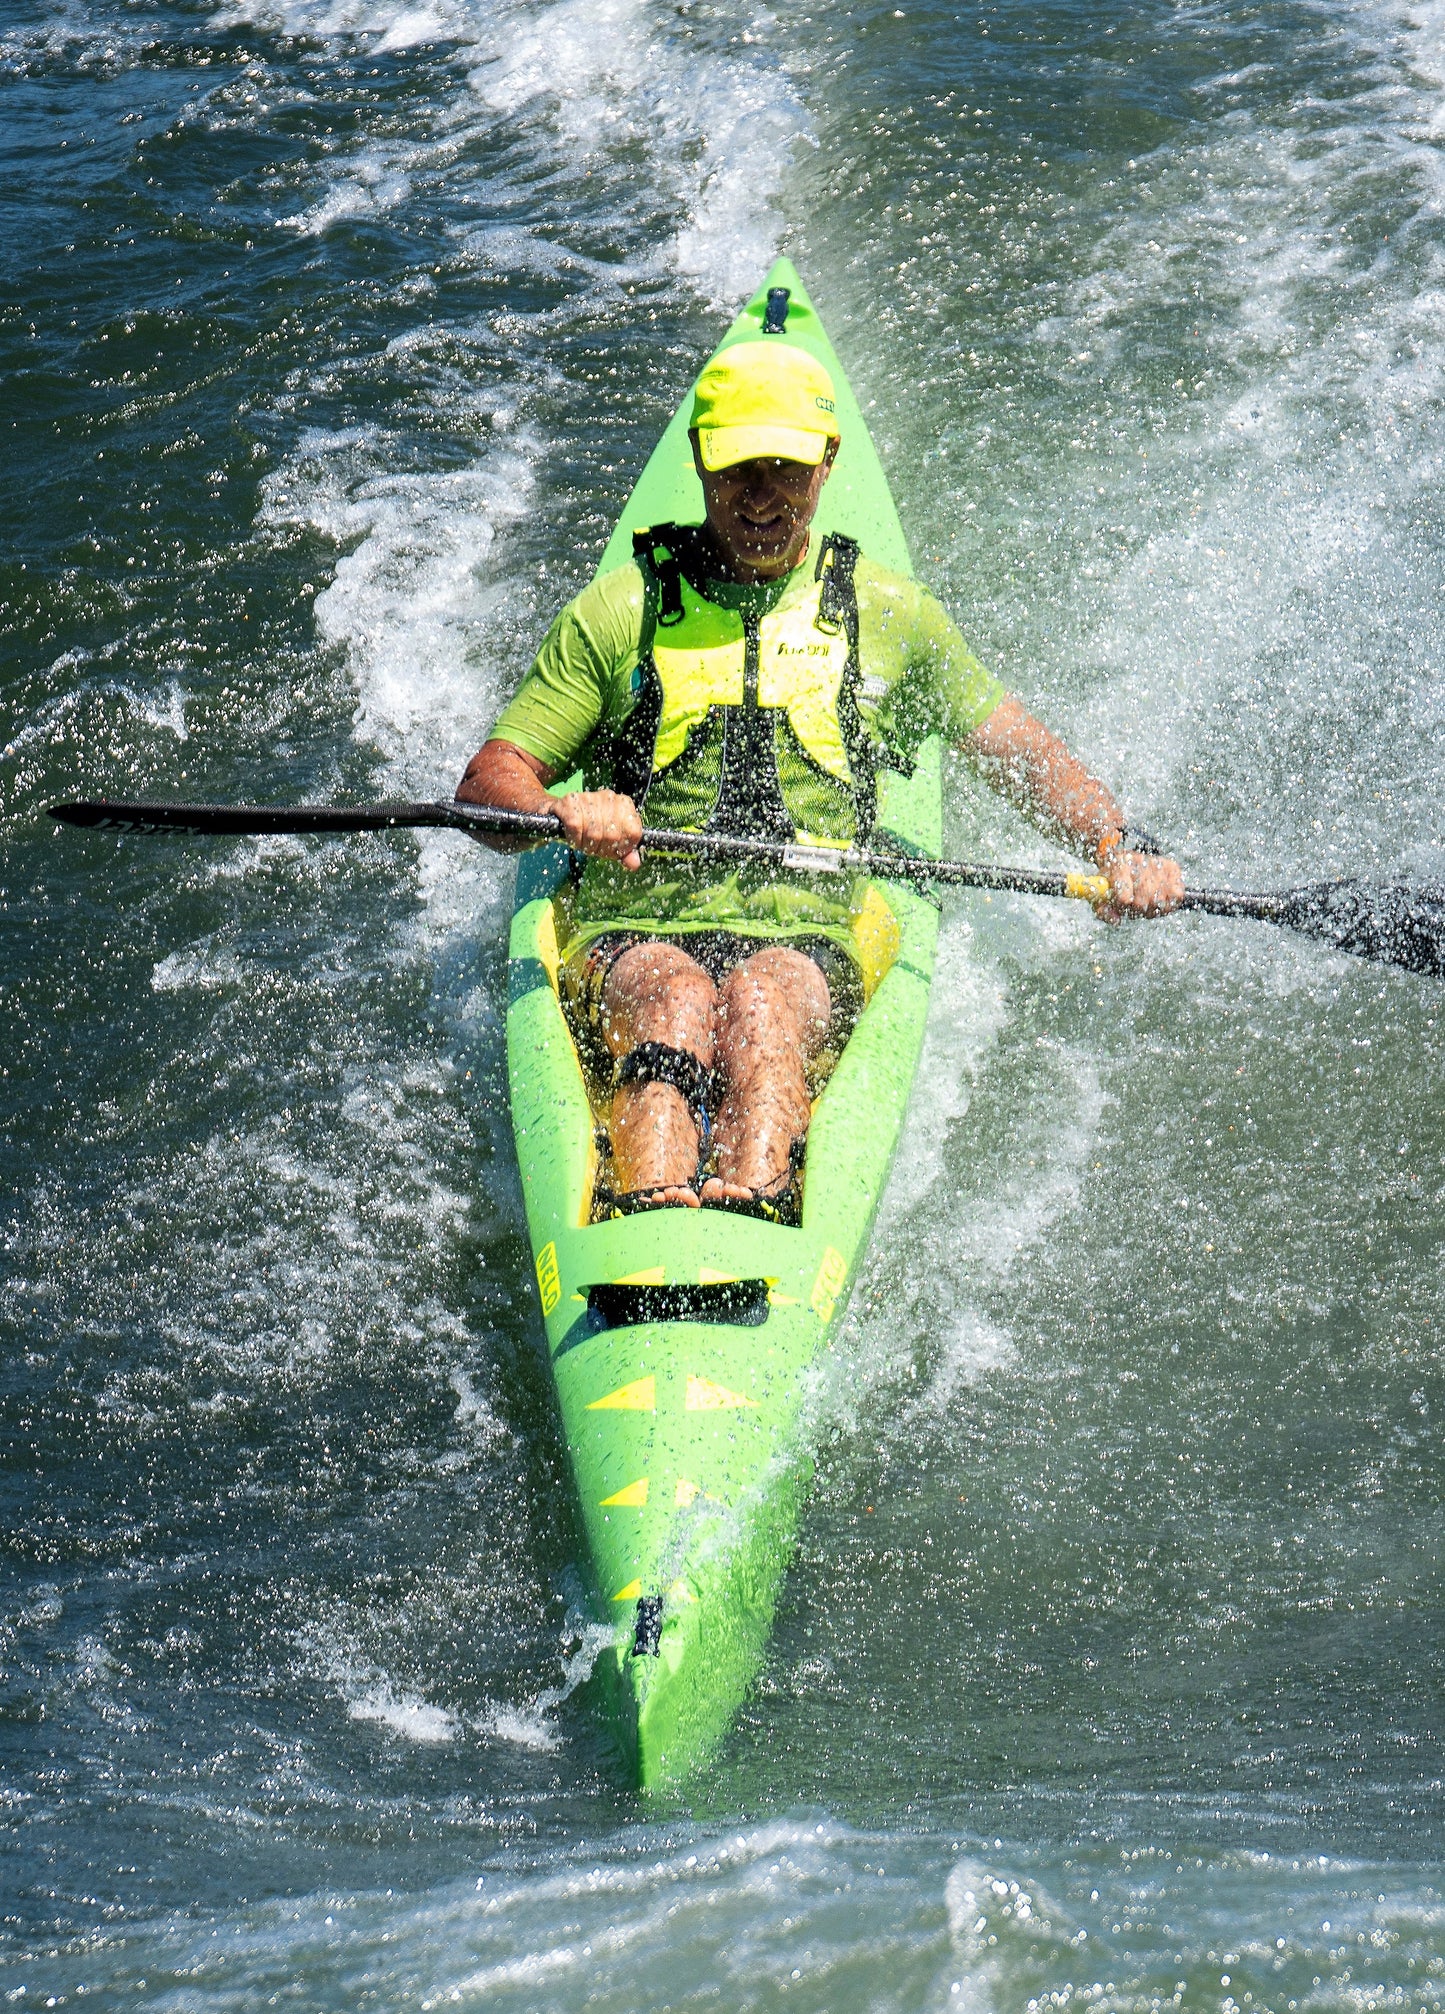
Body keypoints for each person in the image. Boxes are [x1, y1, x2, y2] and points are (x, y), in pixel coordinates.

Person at [458, 340, 1183, 1217]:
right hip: (632, 925)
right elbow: (488, 787)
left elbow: (1024, 754)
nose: (761, 496)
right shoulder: (621, 611)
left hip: (806, 936)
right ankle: (646, 1224)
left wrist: (1116, 845)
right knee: (678, 1000)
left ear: (827, 461)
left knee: (761, 1004)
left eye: (786, 468)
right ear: (697, 459)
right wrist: (557, 809)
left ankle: (752, 1213)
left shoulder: (887, 615)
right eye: (737, 470)